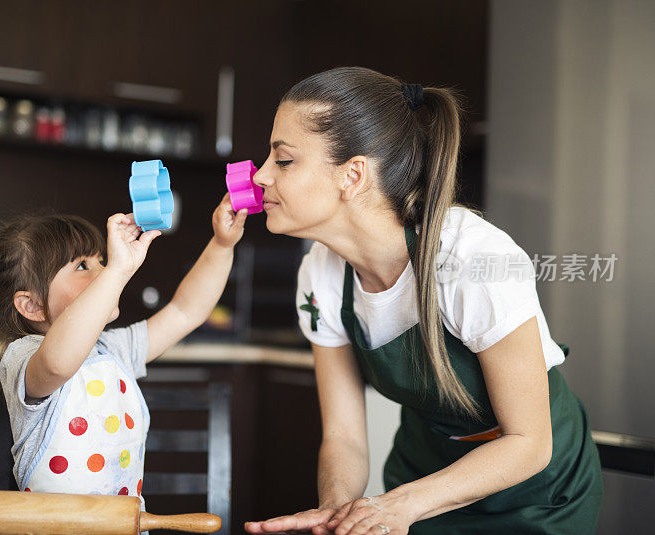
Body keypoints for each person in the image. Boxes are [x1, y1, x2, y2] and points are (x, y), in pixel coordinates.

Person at [244, 67, 602, 534]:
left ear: (353, 174)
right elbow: (345, 436)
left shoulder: (470, 259)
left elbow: (529, 443)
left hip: (536, 495)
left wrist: (400, 507)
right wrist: (338, 513)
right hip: (423, 473)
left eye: (284, 161)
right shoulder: (321, 273)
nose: (261, 175)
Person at [0, 196, 246, 502]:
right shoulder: (23, 357)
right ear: (32, 305)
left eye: (102, 261)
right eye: (83, 265)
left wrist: (221, 245)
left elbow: (185, 311)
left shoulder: (112, 351)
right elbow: (58, 363)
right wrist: (116, 273)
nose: (103, 270)